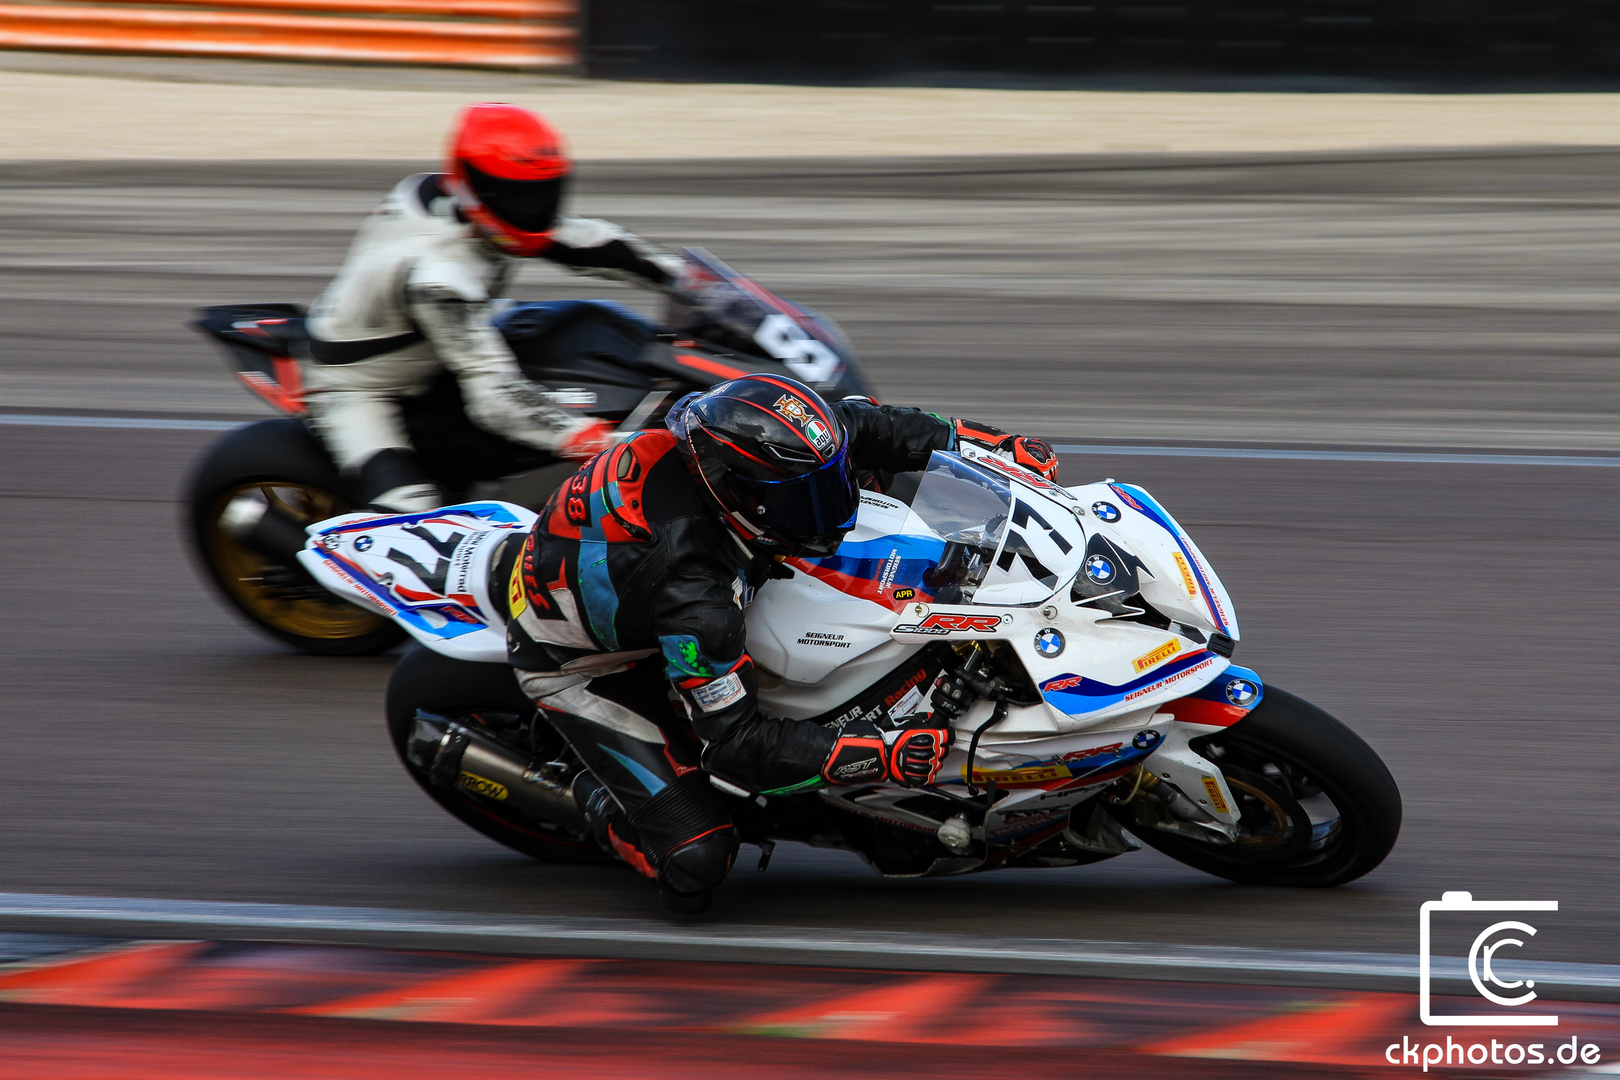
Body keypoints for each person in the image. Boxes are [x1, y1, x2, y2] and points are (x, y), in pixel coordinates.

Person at [503, 373, 1059, 910]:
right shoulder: (696, 599)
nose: (834, 505)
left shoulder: (740, 431)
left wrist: (991, 443)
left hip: (621, 568)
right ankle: (591, 797)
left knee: (871, 472)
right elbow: (736, 743)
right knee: (697, 861)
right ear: (740, 498)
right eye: (807, 499)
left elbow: (863, 427)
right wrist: (879, 753)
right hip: (581, 663)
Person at [303, 102, 683, 512]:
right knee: (414, 517)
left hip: (446, 339)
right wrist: (598, 443)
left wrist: (690, 280)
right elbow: (495, 398)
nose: (534, 207)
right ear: (475, 187)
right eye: (518, 194)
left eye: (544, 191)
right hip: (365, 387)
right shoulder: (440, 275)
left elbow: (589, 242)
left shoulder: (467, 205)